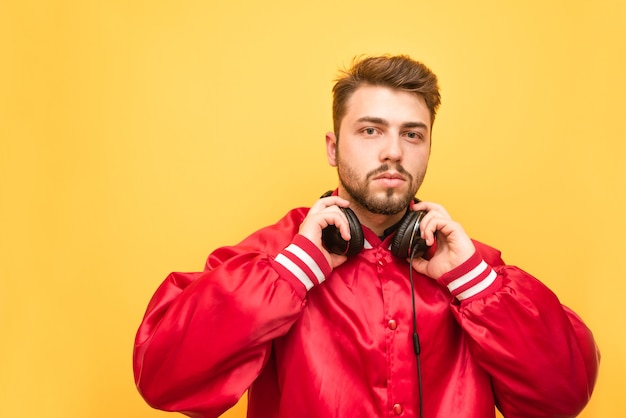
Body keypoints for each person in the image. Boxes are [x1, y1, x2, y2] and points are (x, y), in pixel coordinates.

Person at [133, 55, 600, 418]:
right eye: (371, 130)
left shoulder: (469, 268)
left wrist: (476, 285)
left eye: (412, 135)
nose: (393, 152)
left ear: (428, 148)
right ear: (334, 149)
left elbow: (562, 397)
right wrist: (290, 276)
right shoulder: (276, 257)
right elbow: (163, 379)